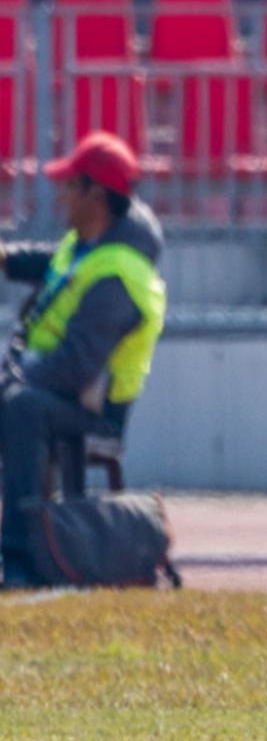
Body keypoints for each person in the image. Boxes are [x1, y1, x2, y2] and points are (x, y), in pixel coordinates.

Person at [0, 132, 165, 588]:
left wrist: (11, 377)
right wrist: (7, 258)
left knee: (21, 407)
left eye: (70, 184)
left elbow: (76, 368)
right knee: (19, 399)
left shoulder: (117, 276)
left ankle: (20, 558)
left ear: (95, 194)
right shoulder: (88, 244)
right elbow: (55, 264)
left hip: (92, 411)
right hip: (52, 386)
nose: (61, 192)